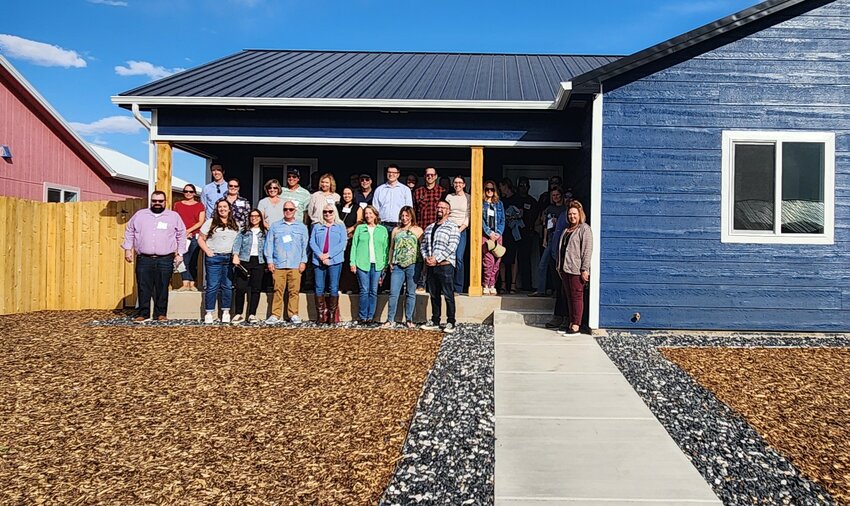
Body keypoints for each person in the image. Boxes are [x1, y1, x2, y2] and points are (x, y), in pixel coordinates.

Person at [122, 191, 187, 322]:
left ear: (165, 201)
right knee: (143, 286)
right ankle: (143, 313)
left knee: (162, 287)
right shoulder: (140, 215)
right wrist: (128, 249)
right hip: (144, 258)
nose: (157, 203)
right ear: (151, 201)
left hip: (165, 258)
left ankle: (161, 314)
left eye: (160, 201)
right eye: (154, 201)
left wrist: (180, 253)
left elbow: (181, 234)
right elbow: (129, 231)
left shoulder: (173, 216)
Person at [264, 201, 309, 324]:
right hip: (279, 264)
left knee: (294, 291)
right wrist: (270, 261)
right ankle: (275, 314)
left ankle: (293, 313)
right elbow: (269, 244)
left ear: (295, 211)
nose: (288, 211)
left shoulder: (302, 227)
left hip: (295, 264)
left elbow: (305, 246)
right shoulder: (275, 226)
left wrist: (303, 261)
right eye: (285, 209)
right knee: (277, 290)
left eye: (290, 209)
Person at [420, 201, 460, 333]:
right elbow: (423, 245)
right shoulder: (430, 227)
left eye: (443, 208)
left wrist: (437, 258)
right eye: (438, 207)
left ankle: (451, 321)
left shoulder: (453, 227)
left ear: (448, 211)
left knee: (448, 294)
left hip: (445, 265)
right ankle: (435, 320)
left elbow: (452, 247)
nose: (440, 209)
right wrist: (426, 257)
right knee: (434, 294)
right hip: (431, 266)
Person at [198, 199, 240, 324]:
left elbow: (239, 242)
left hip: (229, 259)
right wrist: (207, 251)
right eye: (220, 207)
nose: (222, 209)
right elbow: (201, 239)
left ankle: (225, 311)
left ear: (230, 209)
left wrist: (236, 255)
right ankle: (209, 312)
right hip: (214, 258)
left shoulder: (235, 224)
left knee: (227, 286)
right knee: (212, 286)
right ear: (217, 209)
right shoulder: (210, 222)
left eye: (225, 206)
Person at [556, 200, 593, 334]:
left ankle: (576, 324)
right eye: (570, 214)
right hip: (565, 268)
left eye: (574, 214)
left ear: (580, 214)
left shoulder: (584, 229)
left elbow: (587, 251)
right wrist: (559, 266)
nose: (572, 216)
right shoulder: (566, 229)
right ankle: (571, 321)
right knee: (568, 296)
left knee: (577, 297)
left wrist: (585, 269)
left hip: (576, 269)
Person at [384, 206, 423, 329]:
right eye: (402, 216)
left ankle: (409, 319)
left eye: (407, 216)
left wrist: (423, 266)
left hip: (413, 264)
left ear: (411, 216)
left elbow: (421, 247)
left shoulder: (418, 230)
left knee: (410, 293)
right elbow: (391, 247)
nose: (404, 218)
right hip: (397, 265)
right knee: (394, 293)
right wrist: (390, 261)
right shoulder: (396, 230)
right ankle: (390, 319)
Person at [350, 205, 389, 324]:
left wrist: (385, 263)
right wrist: (353, 262)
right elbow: (354, 246)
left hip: (377, 264)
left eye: (370, 213)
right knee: (364, 290)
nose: (368, 216)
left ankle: (371, 316)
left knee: (373, 290)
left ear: (375, 215)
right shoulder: (360, 228)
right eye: (366, 213)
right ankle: (363, 316)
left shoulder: (382, 230)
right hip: (362, 263)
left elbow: (386, 248)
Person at [309, 205, 347, 324]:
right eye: (325, 212)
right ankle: (320, 315)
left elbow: (342, 243)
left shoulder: (340, 226)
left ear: (334, 212)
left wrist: (328, 255)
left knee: (333, 287)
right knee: (319, 286)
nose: (327, 214)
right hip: (318, 260)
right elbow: (312, 242)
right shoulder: (317, 226)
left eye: (330, 211)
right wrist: (321, 255)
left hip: (334, 260)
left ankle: (331, 315)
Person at [413, 167, 447, 291]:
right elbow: (414, 210)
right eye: (428, 175)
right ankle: (420, 283)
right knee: (422, 256)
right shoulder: (418, 192)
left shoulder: (442, 192)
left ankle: (435, 285)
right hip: (421, 228)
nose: (430, 177)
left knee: (436, 256)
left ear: (436, 176)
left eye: (432, 175)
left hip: (437, 228)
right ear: (425, 176)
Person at [231, 209, 266, 324]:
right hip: (245, 260)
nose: (254, 218)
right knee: (240, 288)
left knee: (256, 289)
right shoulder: (244, 231)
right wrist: (235, 255)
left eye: (256, 216)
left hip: (259, 260)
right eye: (251, 216)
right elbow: (237, 244)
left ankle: (252, 314)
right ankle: (238, 313)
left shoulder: (264, 232)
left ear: (260, 218)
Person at [531, 186, 566, 297]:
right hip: (551, 238)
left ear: (561, 195)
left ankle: (559, 291)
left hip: (561, 238)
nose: (555, 197)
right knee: (542, 264)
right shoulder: (549, 209)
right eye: (553, 195)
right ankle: (541, 290)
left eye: (557, 195)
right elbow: (546, 225)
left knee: (557, 265)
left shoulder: (565, 210)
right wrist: (545, 239)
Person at [173, 184, 205, 291]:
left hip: (194, 235)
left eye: (191, 192)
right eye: (186, 191)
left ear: (194, 193)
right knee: (183, 259)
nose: (188, 193)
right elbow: (175, 220)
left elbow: (201, 221)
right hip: (181, 236)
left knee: (193, 260)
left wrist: (189, 230)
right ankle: (185, 283)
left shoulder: (199, 206)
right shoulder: (177, 205)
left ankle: (192, 283)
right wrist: (182, 233)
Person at [445, 175, 470, 294]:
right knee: (449, 258)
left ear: (464, 185)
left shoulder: (468, 198)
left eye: (460, 183)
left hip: (461, 229)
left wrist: (461, 228)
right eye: (455, 182)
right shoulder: (449, 197)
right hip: (449, 229)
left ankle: (458, 287)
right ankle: (447, 286)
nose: (457, 185)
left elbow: (468, 215)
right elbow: (446, 213)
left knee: (459, 258)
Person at [372, 164, 413, 235]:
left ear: (398, 175)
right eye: (389, 172)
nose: (391, 174)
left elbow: (408, 209)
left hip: (399, 224)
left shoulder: (405, 190)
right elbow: (375, 209)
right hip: (382, 224)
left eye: (394, 173)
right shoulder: (379, 190)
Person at [514, 176, 538, 292]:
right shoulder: (514, 199)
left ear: (529, 187)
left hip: (527, 234)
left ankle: (527, 285)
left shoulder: (532, 201)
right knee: (513, 259)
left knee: (526, 260)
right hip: (513, 234)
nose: (523, 188)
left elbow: (536, 218)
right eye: (521, 186)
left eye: (525, 186)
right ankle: (511, 285)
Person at [482, 181, 505, 295]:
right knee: (488, 261)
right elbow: (481, 220)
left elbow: (502, 220)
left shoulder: (499, 204)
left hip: (497, 235)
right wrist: (489, 232)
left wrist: (498, 233)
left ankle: (492, 284)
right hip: (486, 236)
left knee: (497, 261)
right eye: (487, 189)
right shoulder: (481, 203)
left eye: (492, 189)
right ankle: (485, 284)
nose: (489, 191)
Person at [497, 178, 520, 294]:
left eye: (501, 186)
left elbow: (521, 213)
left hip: (514, 232)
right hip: (502, 231)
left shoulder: (517, 199)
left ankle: (513, 284)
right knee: (501, 256)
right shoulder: (501, 201)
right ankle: (503, 283)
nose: (500, 189)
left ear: (506, 186)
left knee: (513, 258)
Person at [337, 187, 359, 294]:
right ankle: (340, 286)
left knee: (349, 262)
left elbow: (359, 221)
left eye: (349, 193)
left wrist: (351, 229)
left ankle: (350, 287)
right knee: (340, 262)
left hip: (351, 237)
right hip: (339, 238)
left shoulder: (357, 207)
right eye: (344, 194)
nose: (347, 196)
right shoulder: (338, 206)